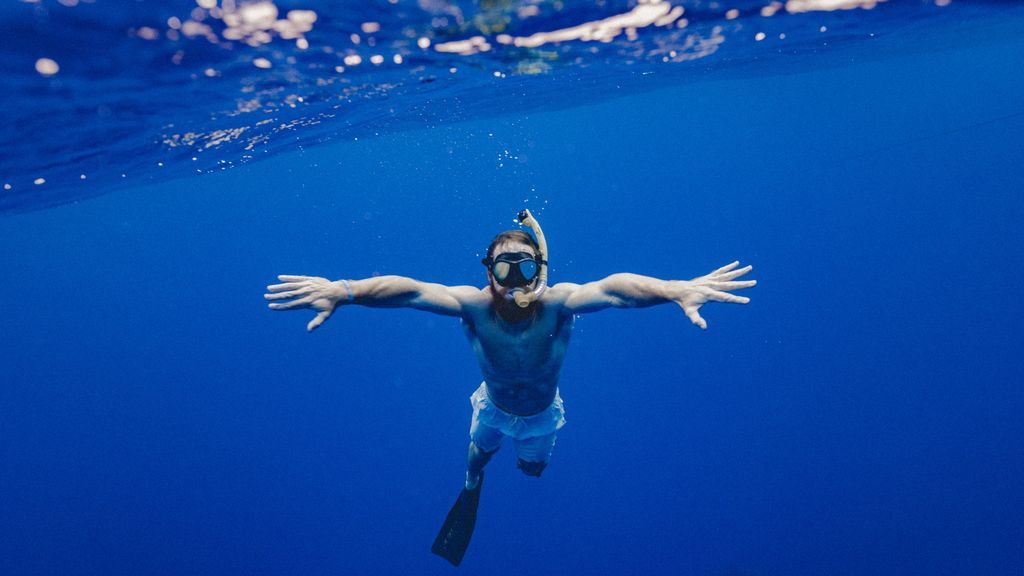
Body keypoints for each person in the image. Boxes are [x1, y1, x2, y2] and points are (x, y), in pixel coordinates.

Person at [263, 210, 756, 566]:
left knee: (533, 466)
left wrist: (674, 290)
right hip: (493, 405)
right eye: (503, 268)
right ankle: (474, 480)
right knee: (477, 457)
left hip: (543, 414)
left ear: (539, 269)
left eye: (523, 266)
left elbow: (616, 287)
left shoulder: (560, 302)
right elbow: (409, 289)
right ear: (488, 272)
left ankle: (522, 461)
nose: (513, 279)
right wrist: (344, 291)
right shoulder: (473, 306)